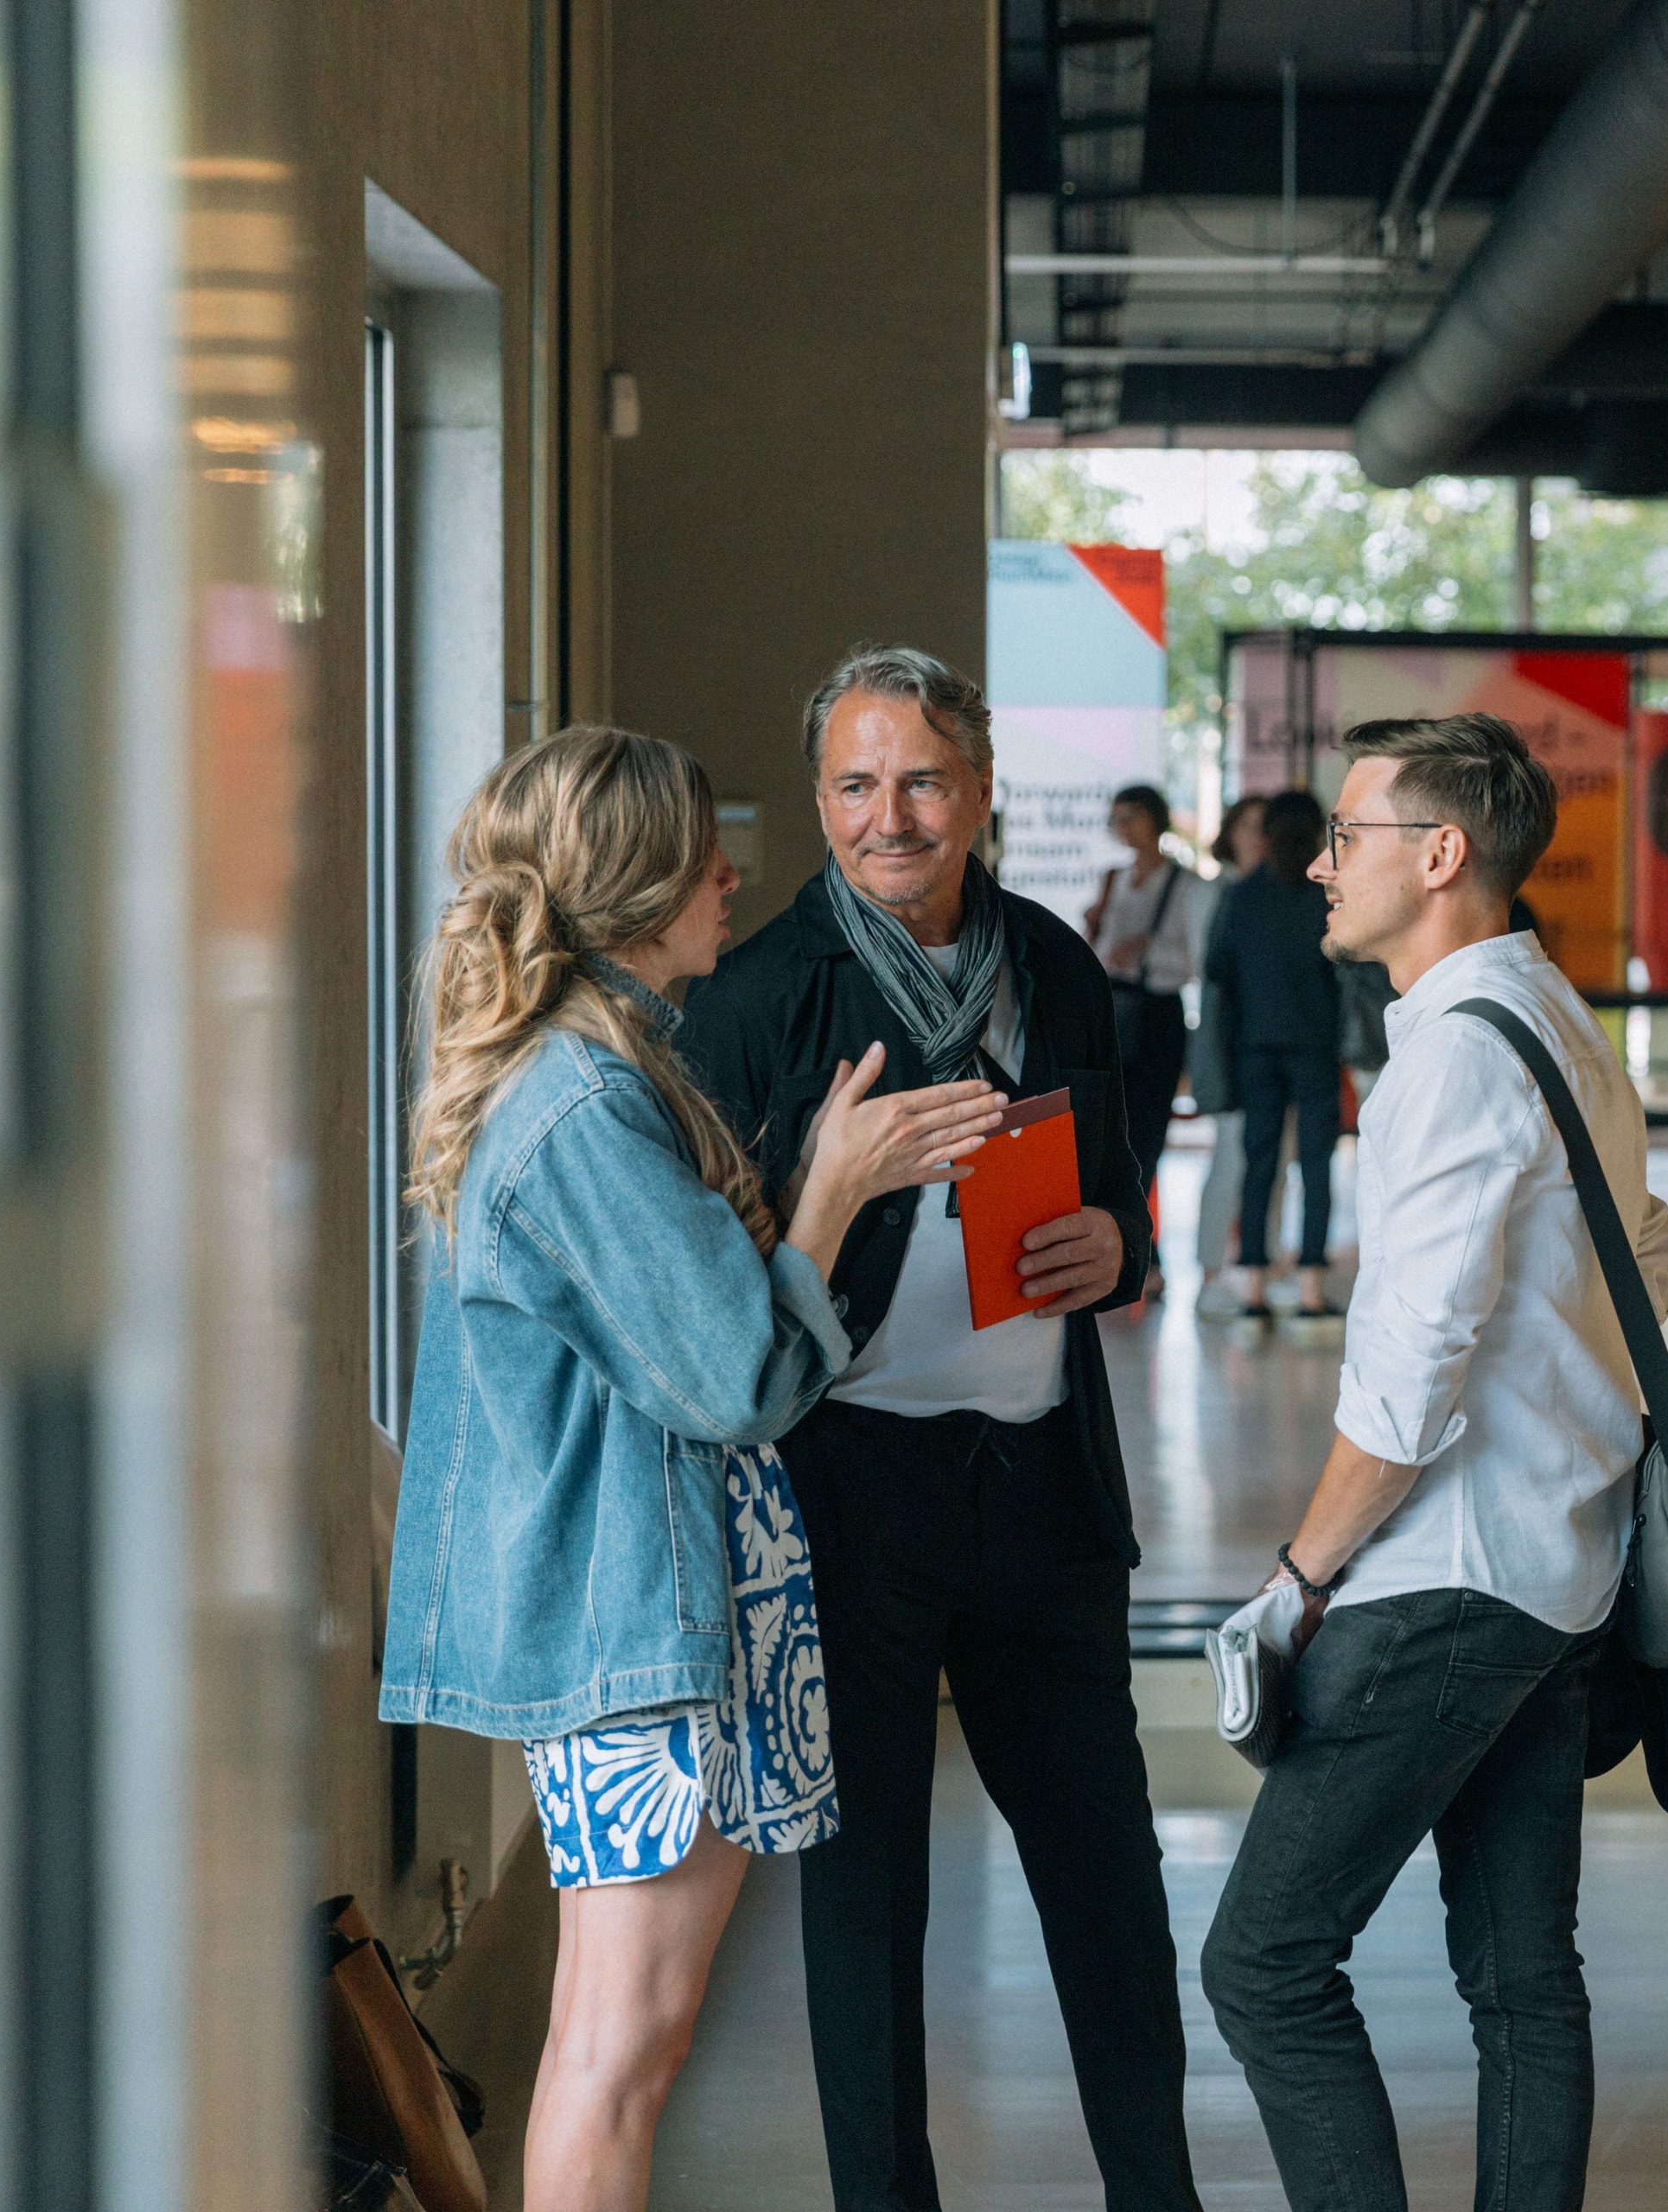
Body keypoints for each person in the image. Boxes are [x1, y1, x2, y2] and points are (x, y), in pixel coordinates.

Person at [379, 725, 1010, 2212]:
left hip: (663, 1619)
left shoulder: (595, 1077)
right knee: (619, 2045)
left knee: (630, 2040)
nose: (735, 870)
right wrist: (835, 1193)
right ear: (637, 886)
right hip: (642, 1628)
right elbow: (731, 1378)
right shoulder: (582, 1106)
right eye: (700, 848)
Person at [679, 647, 1200, 2212]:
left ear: (980, 793)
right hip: (847, 1501)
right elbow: (713, 1273)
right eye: (854, 783)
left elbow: (1117, 1195)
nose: (887, 815)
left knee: (1110, 1885)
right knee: (865, 1908)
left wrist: (1125, 1247)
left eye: (920, 780)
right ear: (823, 802)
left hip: (1041, 1491)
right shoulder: (767, 993)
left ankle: (1156, 2195)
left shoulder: (1054, 964)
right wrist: (841, 1189)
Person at [1202, 712, 1668, 2212]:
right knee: (1523, 1979)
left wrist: (1298, 1577)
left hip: (1451, 1586)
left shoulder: (1456, 1061)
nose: (1322, 867)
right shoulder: (1555, 1020)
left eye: (1348, 837)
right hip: (1560, 1570)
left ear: (1442, 853)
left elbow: (1405, 1387)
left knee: (1264, 1965)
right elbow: (1648, 1269)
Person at [1206, 790, 1344, 1319]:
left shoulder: (1242, 896)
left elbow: (1219, 971)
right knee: (1316, 1165)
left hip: (1254, 1048)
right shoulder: (1326, 897)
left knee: (1259, 1165)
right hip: (1316, 1046)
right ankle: (1310, 1288)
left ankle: (1255, 1286)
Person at [1086, 782, 1208, 1298]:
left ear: (1156, 820)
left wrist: (1149, 949)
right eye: (1117, 817)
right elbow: (1098, 950)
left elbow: (1193, 962)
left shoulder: (1183, 883)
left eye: (1131, 816)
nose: (1122, 826)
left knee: (1148, 1136)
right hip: (1113, 1010)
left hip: (1157, 1011)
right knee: (1113, 1131)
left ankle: (1146, 1251)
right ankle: (1129, 1248)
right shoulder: (1113, 879)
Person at [1191, 795, 1270, 1310]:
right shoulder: (1214, 892)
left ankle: (1261, 1264)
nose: (1259, 837)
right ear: (1232, 832)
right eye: (1249, 826)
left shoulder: (1283, 893)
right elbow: (1208, 969)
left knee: (1271, 1160)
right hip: (1228, 1041)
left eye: (1267, 828)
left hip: (1268, 1043)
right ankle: (1210, 1271)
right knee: (1231, 1156)